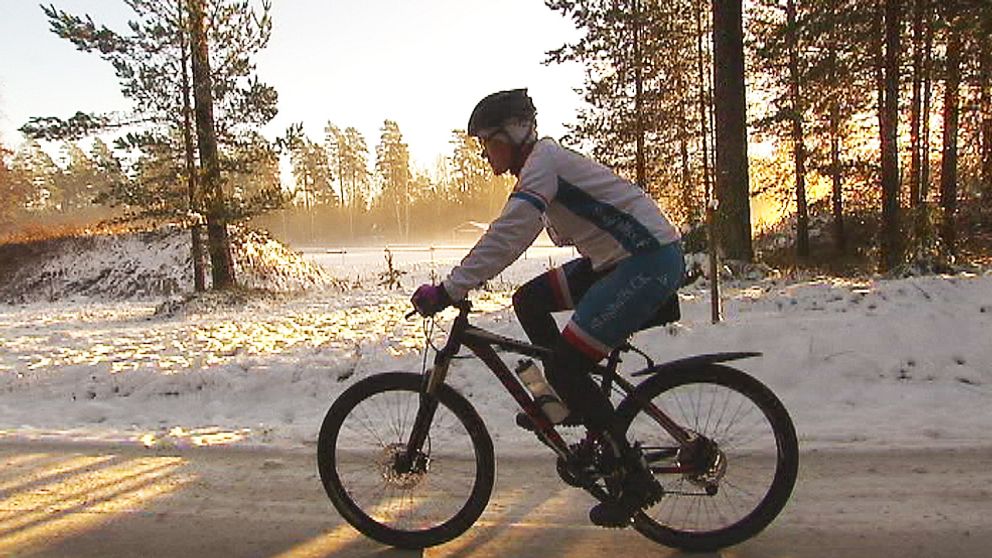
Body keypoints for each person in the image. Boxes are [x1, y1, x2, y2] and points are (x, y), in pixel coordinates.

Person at [411, 89, 685, 527]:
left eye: (487, 142)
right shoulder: (540, 166)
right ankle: (569, 404)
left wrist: (450, 289)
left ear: (513, 134)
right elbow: (517, 231)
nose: (484, 154)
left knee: (567, 365)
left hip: (646, 260)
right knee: (529, 300)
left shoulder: (543, 165)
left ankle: (634, 478)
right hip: (619, 260)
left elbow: (510, 234)